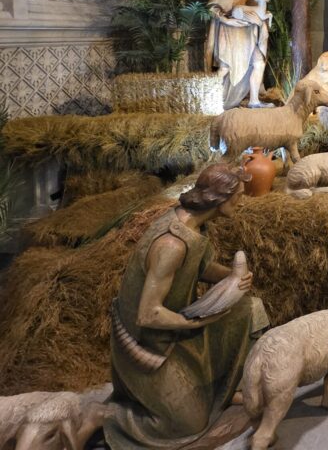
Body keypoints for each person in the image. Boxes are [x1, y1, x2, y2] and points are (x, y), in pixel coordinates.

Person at [105, 163, 268, 450]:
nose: (240, 202)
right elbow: (148, 314)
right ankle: (105, 416)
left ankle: (230, 388)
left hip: (177, 325)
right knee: (187, 425)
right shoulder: (171, 245)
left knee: (250, 309)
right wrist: (196, 322)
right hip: (149, 346)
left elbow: (198, 266)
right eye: (238, 196)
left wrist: (231, 277)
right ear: (219, 198)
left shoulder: (193, 225)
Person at [205, 0, 274, 108]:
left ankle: (254, 101)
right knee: (225, 68)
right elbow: (211, 8)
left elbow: (255, 11)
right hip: (228, 34)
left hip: (246, 35)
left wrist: (261, 19)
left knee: (259, 63)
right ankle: (208, 100)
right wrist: (227, 20)